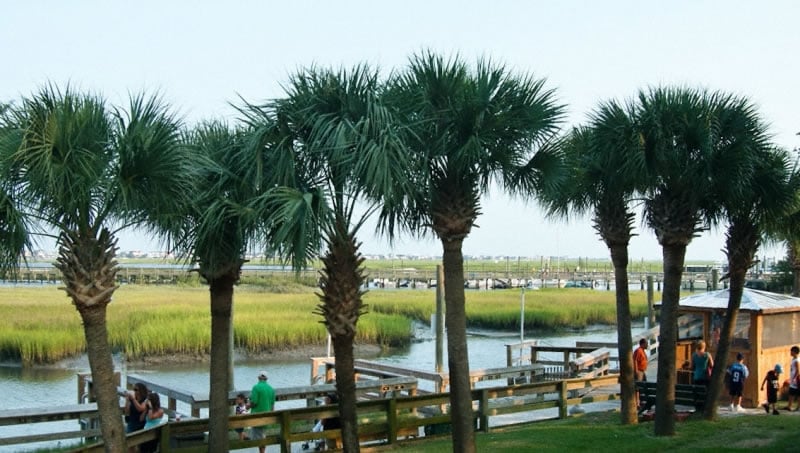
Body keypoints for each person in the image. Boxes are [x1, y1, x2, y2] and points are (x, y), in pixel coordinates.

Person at [248, 370, 276, 453]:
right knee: (262, 435)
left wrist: (247, 406)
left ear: (259, 378)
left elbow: (254, 402)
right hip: (267, 415)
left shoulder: (256, 387)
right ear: (267, 378)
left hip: (257, 416)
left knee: (259, 437)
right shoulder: (271, 389)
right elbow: (272, 405)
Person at [633, 338, 648, 409]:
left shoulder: (643, 351)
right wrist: (636, 371)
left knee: (644, 385)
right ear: (642, 344)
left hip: (643, 371)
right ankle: (638, 403)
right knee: (638, 387)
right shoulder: (638, 351)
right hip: (639, 371)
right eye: (646, 344)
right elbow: (635, 360)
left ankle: (643, 401)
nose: (647, 345)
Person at [787, 346, 800, 411]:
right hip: (793, 379)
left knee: (797, 394)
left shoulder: (796, 361)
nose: (790, 352)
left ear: (795, 352)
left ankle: (797, 407)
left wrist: (794, 379)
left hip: (796, 380)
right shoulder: (793, 359)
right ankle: (789, 406)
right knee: (791, 393)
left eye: (791, 351)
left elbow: (798, 370)